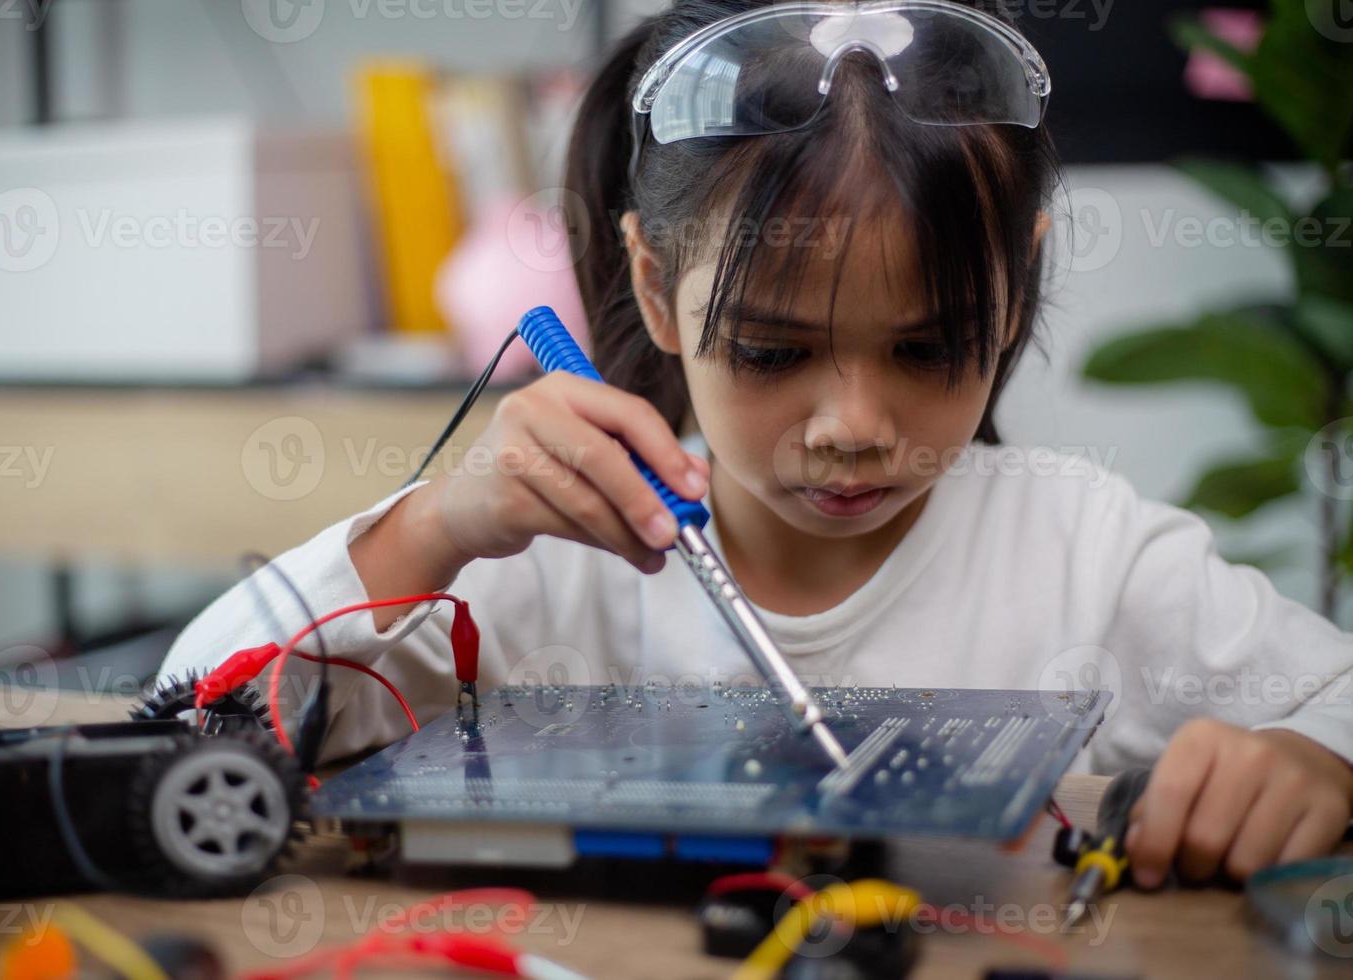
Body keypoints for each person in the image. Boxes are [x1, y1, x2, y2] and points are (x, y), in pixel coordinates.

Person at [161, 0, 1352, 889]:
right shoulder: (543, 556)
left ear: (1018, 276)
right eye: (776, 354)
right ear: (656, 282)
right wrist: (432, 528)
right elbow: (177, 731)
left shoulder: (1083, 550)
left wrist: (1317, 765)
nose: (855, 430)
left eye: (931, 349)